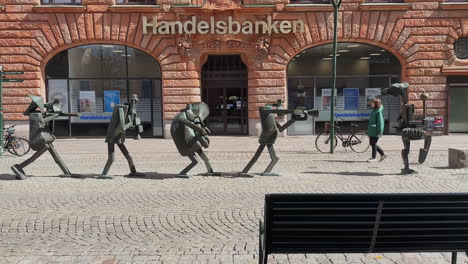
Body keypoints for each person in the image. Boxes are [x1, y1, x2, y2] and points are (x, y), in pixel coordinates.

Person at [367, 98, 387, 162]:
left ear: (375, 104)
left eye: (372, 103)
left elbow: (380, 122)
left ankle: (374, 157)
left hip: (376, 130)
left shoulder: (378, 111)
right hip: (372, 130)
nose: (371, 104)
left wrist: (380, 131)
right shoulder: (374, 110)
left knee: (373, 143)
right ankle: (382, 154)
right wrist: (369, 132)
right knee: (372, 143)